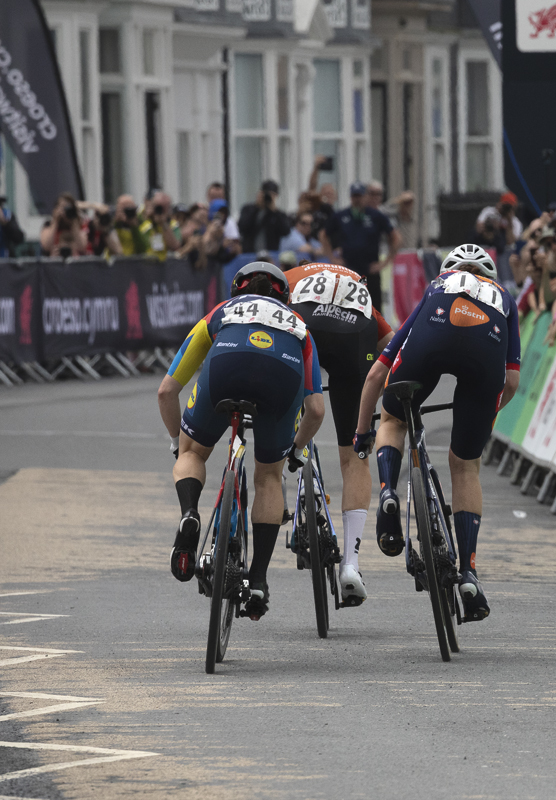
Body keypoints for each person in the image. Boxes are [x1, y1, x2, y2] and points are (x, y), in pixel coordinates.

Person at [353, 245, 520, 622]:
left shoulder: (438, 285)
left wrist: (363, 434)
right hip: (485, 353)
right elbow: (510, 381)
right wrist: (484, 419)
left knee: (394, 420)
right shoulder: (504, 298)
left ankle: (388, 492)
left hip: (432, 339)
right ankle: (469, 571)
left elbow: (377, 374)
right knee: (465, 466)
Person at [157, 262, 326, 620]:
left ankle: (190, 513)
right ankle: (259, 579)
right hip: (281, 375)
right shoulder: (301, 327)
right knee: (267, 476)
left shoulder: (222, 311)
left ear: (238, 290)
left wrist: (180, 445)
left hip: (227, 367)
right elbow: (316, 410)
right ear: (285, 297)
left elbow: (166, 390)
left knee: (193, 453)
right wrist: (294, 452)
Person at [284, 261, 394, 605]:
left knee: (289, 415)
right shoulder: (352, 284)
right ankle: (351, 564)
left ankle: (293, 455)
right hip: (354, 336)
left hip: (303, 327)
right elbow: (390, 342)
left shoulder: (288, 279)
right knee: (354, 456)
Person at [322, 181, 401, 309]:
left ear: (365, 197)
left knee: (373, 307)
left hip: (369, 270)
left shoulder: (375, 216)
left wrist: (386, 261)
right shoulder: (342, 216)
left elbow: (395, 237)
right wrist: (332, 258)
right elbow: (324, 235)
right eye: (355, 196)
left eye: (360, 196)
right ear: (351, 197)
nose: (357, 200)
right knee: (347, 306)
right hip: (348, 270)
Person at [238, 180, 291, 254]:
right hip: (250, 253)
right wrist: (257, 207)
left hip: (271, 254)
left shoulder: (278, 214)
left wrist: (274, 210)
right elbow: (242, 227)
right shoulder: (248, 209)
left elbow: (286, 231)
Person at [40, 193, 90, 257]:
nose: (66, 211)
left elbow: (82, 247)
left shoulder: (79, 226)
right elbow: (46, 246)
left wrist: (74, 221)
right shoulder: (48, 225)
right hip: (55, 262)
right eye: (63, 207)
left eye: (68, 208)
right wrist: (55, 221)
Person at [140, 190, 182, 260]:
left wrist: (163, 224)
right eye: (157, 207)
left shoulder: (173, 225)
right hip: (147, 265)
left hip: (167, 266)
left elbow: (175, 246)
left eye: (163, 208)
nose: (159, 211)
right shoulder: (145, 223)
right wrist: (150, 217)